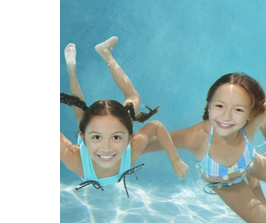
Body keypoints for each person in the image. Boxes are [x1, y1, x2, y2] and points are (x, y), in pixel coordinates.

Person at [145, 28, 266, 223]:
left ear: (250, 113)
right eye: (219, 106)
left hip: (248, 161)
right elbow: (145, 145)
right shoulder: (196, 137)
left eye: (238, 110)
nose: (226, 117)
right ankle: (255, 186)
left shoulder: (250, 122)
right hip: (225, 182)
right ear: (209, 105)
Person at [60, 37, 188, 197]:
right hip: (99, 131)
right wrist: (175, 161)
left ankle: (82, 65)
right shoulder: (77, 158)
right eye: (97, 137)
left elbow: (156, 126)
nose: (106, 148)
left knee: (79, 110)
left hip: (100, 130)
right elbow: (155, 126)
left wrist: (176, 161)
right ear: (82, 138)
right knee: (130, 97)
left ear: (130, 138)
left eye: (116, 138)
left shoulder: (75, 160)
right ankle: (80, 67)